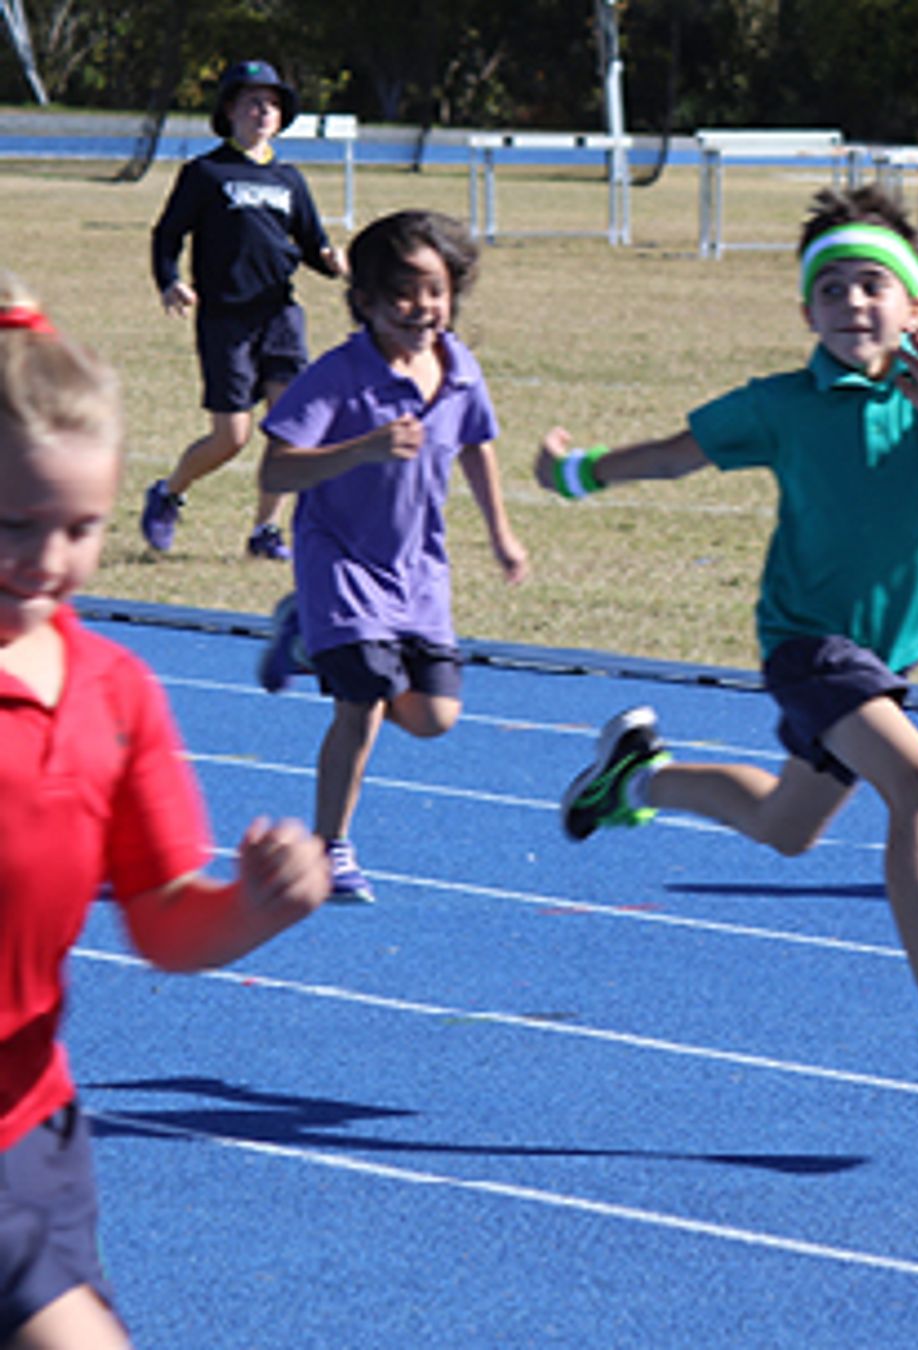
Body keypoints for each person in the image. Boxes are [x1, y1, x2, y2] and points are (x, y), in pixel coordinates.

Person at [534, 185, 918, 1092]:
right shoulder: (781, 404)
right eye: (831, 290)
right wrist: (575, 472)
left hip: (883, 658)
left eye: (873, 285)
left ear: (914, 305)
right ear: (805, 312)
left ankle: (636, 778)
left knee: (786, 829)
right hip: (808, 646)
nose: (853, 303)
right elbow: (674, 454)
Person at [0, 276, 328, 1348]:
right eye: (14, 525)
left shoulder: (117, 695)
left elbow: (164, 921)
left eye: (81, 527)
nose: (48, 560)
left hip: (21, 1141)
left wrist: (256, 908)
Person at [255, 210, 529, 904]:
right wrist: (364, 448)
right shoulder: (339, 375)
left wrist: (501, 534)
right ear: (367, 301)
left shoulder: (459, 369)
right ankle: (331, 848)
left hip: (417, 570)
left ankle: (307, 639)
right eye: (402, 294)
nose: (421, 307)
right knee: (364, 701)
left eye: (435, 291)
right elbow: (277, 469)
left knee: (435, 717)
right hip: (340, 563)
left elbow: (476, 445)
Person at [145, 58, 346, 561]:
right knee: (231, 437)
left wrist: (333, 261)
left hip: (279, 315)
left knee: (291, 426)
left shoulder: (289, 179)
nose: (263, 111)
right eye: (253, 102)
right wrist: (170, 282)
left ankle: (265, 532)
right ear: (231, 110)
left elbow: (311, 244)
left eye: (272, 104)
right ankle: (168, 493)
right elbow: (168, 234)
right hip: (225, 319)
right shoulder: (205, 173)